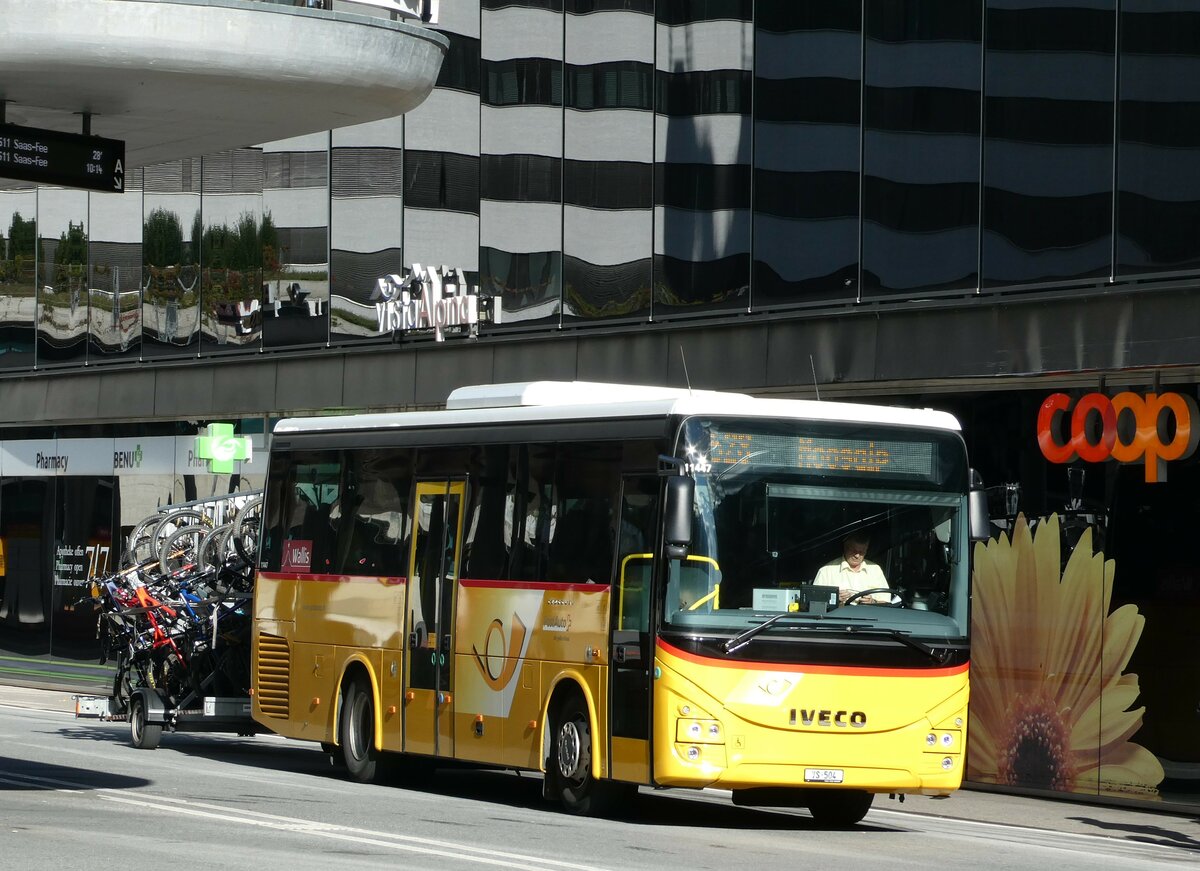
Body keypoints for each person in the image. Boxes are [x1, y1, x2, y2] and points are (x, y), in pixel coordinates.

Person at [814, 532, 889, 605]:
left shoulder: (875, 570)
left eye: (861, 552)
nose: (857, 555)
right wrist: (833, 599)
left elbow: (886, 603)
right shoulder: (826, 571)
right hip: (837, 616)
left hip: (869, 616)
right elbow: (814, 602)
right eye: (854, 551)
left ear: (866, 550)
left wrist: (873, 602)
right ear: (845, 548)